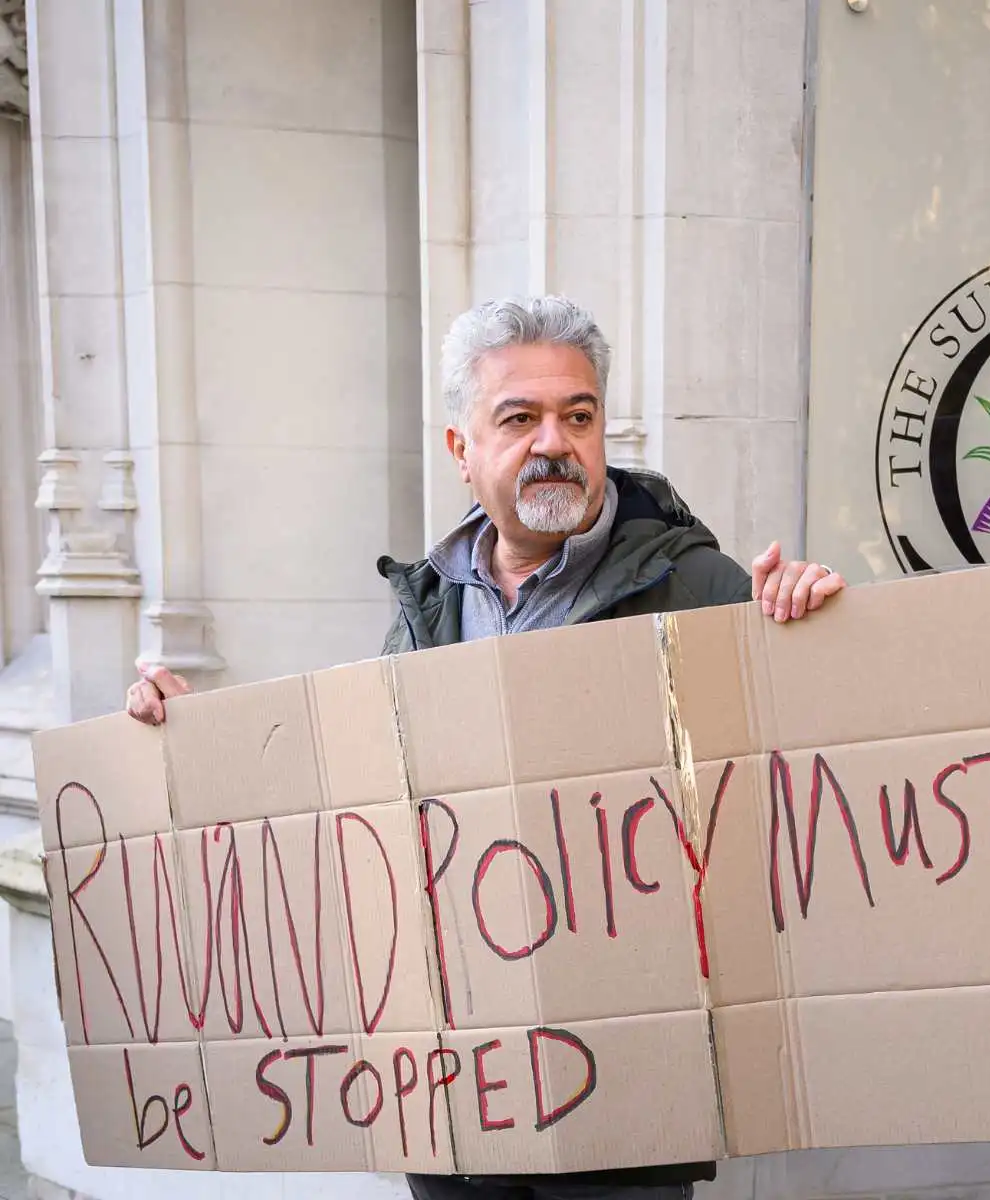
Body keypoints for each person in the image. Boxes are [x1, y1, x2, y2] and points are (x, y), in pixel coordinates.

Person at [125, 294, 843, 1200]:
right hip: (453, 1083)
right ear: (462, 450)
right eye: (520, 418)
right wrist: (192, 738)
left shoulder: (699, 587)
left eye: (578, 416)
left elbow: (800, 791)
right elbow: (354, 800)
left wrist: (811, 638)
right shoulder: (431, 603)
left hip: (623, 1093)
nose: (556, 441)